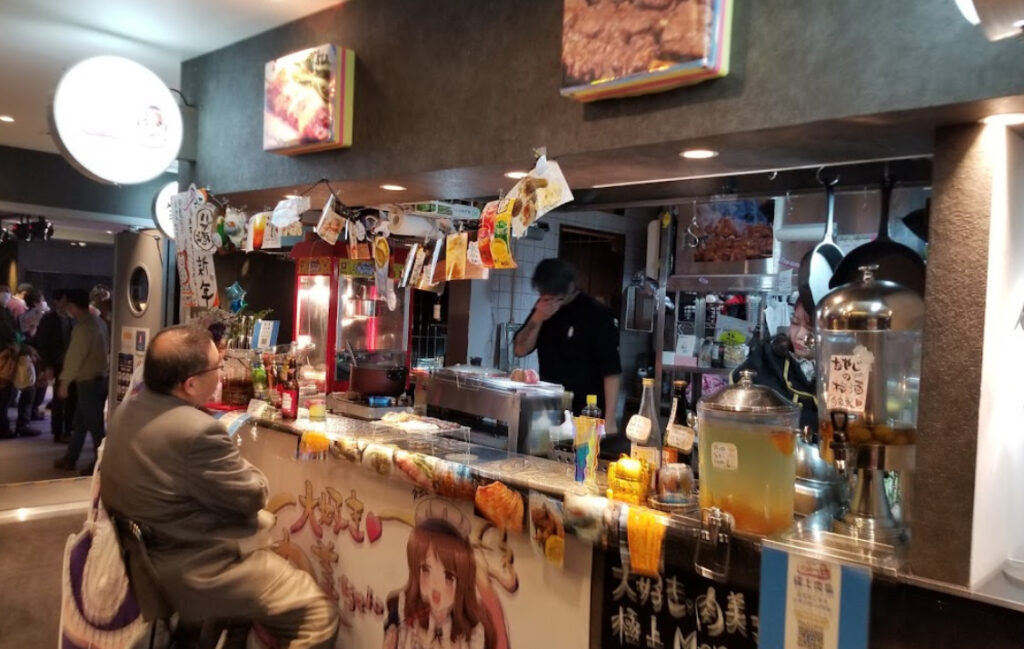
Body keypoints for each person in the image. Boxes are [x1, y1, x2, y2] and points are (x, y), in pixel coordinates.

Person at [100, 325, 338, 648]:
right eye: (218, 366)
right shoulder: (196, 432)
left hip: (149, 564)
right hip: (199, 569)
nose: (222, 373)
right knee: (319, 615)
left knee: (243, 615)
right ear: (190, 384)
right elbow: (252, 495)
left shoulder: (128, 410)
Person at [513, 259, 622, 431]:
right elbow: (519, 349)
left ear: (570, 287)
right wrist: (537, 317)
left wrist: (610, 419)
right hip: (549, 411)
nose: (547, 300)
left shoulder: (597, 314)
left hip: (586, 413)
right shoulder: (543, 308)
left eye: (552, 296)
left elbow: (612, 372)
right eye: (543, 295)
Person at [384, 508, 496, 649]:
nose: (435, 585)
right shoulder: (403, 609)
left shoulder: (474, 629)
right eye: (425, 570)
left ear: (463, 581)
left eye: (448, 577)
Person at [730, 294, 818, 432]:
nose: (799, 335)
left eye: (811, 329)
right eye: (795, 323)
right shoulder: (766, 361)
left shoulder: (840, 371)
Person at [53, 289, 109, 472]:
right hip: (100, 379)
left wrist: (64, 383)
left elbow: (74, 358)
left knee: (95, 426)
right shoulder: (99, 322)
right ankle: (71, 458)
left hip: (88, 382)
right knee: (81, 423)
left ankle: (101, 463)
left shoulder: (83, 328)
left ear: (72, 306)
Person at [34, 288, 75, 442]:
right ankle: (58, 432)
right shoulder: (48, 319)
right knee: (59, 399)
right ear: (56, 301)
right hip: (56, 363)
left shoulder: (72, 318)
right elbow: (43, 343)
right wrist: (47, 366)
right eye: (64, 300)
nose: (67, 303)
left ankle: (68, 429)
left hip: (71, 363)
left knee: (71, 398)